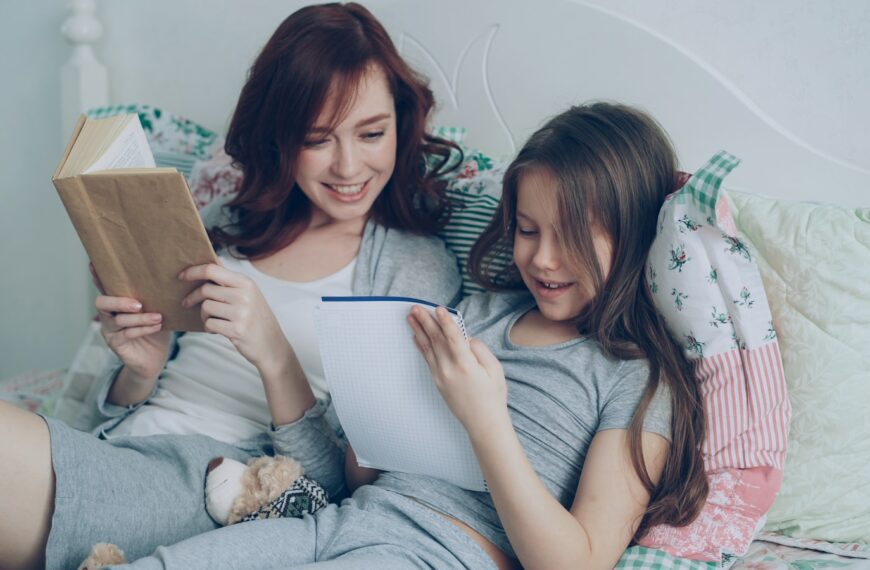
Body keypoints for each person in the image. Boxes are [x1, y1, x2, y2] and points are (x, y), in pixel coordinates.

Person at [111, 102, 710, 570]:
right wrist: (376, 405)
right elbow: (360, 479)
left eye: (574, 236)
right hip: (339, 524)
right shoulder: (480, 313)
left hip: (439, 553)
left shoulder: (636, 377)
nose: (544, 260)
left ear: (634, 235)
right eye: (527, 230)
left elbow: (574, 561)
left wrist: (485, 420)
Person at [0, 3, 463, 569]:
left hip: (217, 483)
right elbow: (112, 415)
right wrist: (139, 371)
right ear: (280, 139)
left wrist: (274, 353)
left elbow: (338, 488)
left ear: (402, 120)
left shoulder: (413, 270)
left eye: (371, 133)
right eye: (318, 139)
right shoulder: (235, 221)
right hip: (123, 453)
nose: (348, 167)